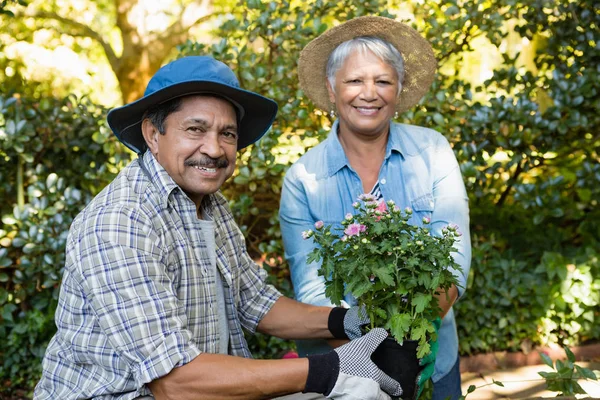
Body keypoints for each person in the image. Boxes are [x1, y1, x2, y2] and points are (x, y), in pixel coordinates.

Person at [33, 55, 406, 400]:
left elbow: (256, 303)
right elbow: (175, 382)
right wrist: (329, 370)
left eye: (227, 134)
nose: (214, 149)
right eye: (195, 129)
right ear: (152, 134)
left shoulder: (210, 205)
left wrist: (355, 321)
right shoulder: (121, 222)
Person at [279, 16, 471, 400]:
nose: (369, 93)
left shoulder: (433, 152)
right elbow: (314, 289)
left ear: (398, 91)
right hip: (342, 371)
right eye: (354, 81)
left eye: (383, 81)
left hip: (429, 359)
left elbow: (453, 265)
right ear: (332, 90)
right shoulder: (303, 178)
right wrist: (369, 359)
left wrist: (406, 346)